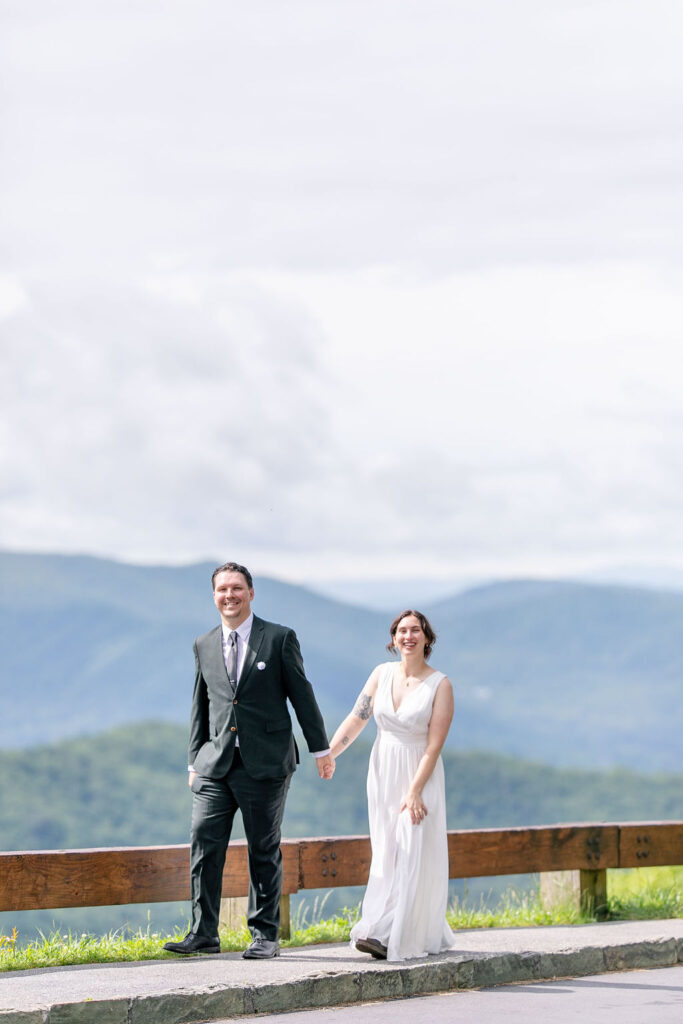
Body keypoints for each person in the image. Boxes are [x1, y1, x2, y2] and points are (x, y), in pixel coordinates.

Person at [164, 561, 334, 960]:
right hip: (214, 763)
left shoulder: (278, 638)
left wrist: (320, 750)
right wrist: (194, 760)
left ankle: (264, 935)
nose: (230, 596)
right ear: (214, 596)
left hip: (266, 763)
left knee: (262, 848)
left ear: (251, 593)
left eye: (237, 588)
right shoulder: (203, 644)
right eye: (222, 589)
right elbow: (200, 706)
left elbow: (302, 696)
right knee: (204, 844)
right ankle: (204, 933)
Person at [328, 609, 455, 962]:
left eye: (416, 630)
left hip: (420, 772)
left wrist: (414, 790)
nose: (408, 636)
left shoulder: (440, 684)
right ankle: (381, 925)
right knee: (386, 849)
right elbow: (358, 717)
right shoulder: (381, 674)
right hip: (384, 768)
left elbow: (434, 745)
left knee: (411, 846)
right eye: (402, 630)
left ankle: (390, 933)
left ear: (427, 638)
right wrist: (331, 752)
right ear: (393, 637)